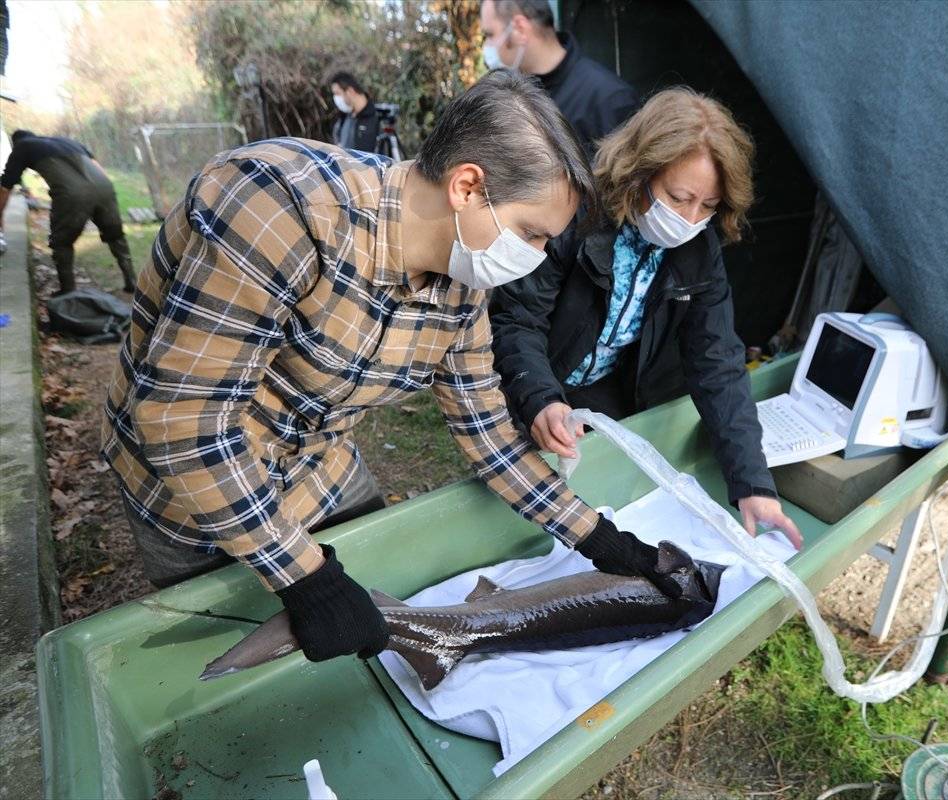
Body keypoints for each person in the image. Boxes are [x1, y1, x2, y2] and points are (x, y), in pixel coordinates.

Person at [102, 72, 680, 669]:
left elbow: (489, 435)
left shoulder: (462, 288)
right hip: (188, 486)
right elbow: (183, 420)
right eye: (531, 235)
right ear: (467, 187)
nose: (534, 259)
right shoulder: (279, 207)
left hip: (319, 465)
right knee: (212, 650)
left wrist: (594, 535)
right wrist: (308, 579)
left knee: (369, 630)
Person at [491, 88, 802, 547]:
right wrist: (540, 400)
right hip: (531, 375)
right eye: (678, 197)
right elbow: (517, 319)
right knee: (509, 514)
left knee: (601, 502)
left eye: (709, 206)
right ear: (639, 172)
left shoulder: (700, 249)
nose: (691, 218)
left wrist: (753, 484)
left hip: (606, 392)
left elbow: (716, 359)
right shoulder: (572, 212)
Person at [479, 0, 638, 150]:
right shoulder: (507, 96)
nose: (487, 46)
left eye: (490, 34)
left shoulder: (609, 99)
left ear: (519, 28)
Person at [0, 130, 137, 293]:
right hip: (105, 187)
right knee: (115, 235)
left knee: (61, 243)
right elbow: (98, 168)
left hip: (72, 193)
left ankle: (68, 292)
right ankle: (132, 281)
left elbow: (5, 187)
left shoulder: (22, 146)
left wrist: (0, 213)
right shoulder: (66, 141)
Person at [329, 70, 380, 153]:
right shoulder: (343, 117)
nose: (336, 98)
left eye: (337, 93)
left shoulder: (377, 118)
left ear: (350, 91)